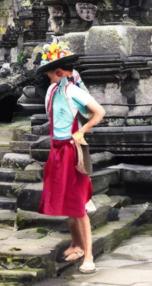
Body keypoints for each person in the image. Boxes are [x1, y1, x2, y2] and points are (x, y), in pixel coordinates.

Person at [36, 39, 106, 275]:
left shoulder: (72, 90)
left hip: (70, 149)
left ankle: (89, 255)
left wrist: (81, 132)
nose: (47, 78)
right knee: (65, 200)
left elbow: (99, 112)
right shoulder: (52, 90)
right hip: (56, 150)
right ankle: (76, 244)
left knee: (77, 204)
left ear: (58, 72)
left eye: (49, 74)